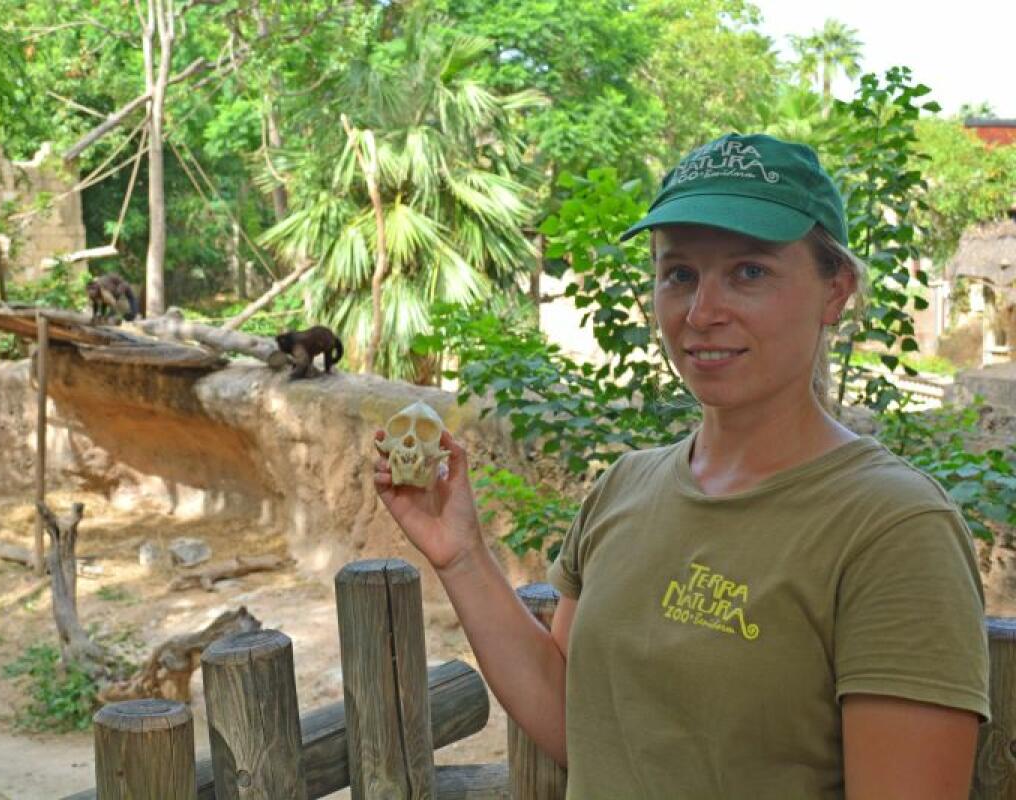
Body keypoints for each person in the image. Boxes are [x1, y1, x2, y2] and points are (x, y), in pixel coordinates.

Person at [373, 132, 989, 798]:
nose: (702, 313)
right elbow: (579, 724)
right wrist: (461, 553)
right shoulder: (623, 488)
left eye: (749, 271)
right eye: (680, 274)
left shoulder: (894, 529)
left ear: (834, 290)